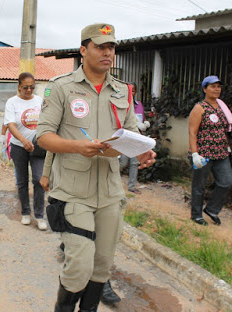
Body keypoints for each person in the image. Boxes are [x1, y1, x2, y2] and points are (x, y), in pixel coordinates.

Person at [37, 23, 156, 311]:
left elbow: (129, 135)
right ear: (83, 50)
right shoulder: (62, 87)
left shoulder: (123, 91)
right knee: (79, 266)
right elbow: (43, 136)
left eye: (111, 47)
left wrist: (141, 153)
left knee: (101, 267)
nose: (107, 52)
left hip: (110, 192)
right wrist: (78, 146)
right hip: (73, 191)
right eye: (100, 46)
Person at [40, 152, 122, 305]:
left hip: (107, 184)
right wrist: (46, 173)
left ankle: (101, 282)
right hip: (74, 184)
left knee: (103, 253)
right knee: (81, 256)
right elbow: (52, 142)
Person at [188, 75, 232, 226]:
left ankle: (212, 210)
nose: (217, 89)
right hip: (203, 154)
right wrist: (194, 154)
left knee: (227, 181)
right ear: (205, 89)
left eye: (218, 86)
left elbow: (223, 129)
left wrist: (227, 147)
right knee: (199, 186)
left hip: (221, 153)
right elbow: (192, 132)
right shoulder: (199, 108)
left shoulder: (222, 106)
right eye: (213, 86)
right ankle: (196, 215)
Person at [4, 72, 47, 231]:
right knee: (22, 181)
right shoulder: (12, 102)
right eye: (25, 87)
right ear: (19, 87)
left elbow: (46, 122)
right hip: (18, 147)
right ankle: (25, 212)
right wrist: (23, 140)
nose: (29, 90)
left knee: (38, 179)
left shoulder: (40, 101)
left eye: (31, 87)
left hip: (38, 147)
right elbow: (11, 124)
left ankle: (40, 215)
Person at [119, 82, 150, 194]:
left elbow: (143, 117)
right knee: (122, 163)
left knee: (134, 163)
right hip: (125, 139)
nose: (130, 92)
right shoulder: (121, 105)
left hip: (137, 139)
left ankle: (132, 186)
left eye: (132, 90)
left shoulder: (139, 105)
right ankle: (111, 181)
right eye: (129, 90)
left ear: (135, 92)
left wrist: (146, 123)